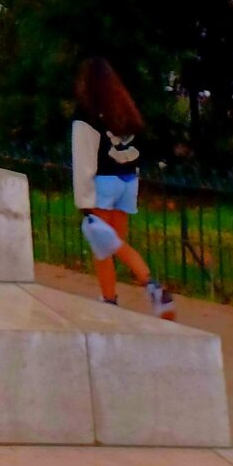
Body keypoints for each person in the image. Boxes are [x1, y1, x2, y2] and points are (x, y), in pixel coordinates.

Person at [71, 56, 175, 316]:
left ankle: (149, 285)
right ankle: (111, 297)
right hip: (128, 181)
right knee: (113, 241)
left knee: (104, 242)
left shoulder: (86, 114)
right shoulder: (124, 109)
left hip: (104, 182)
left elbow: (84, 160)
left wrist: (84, 203)